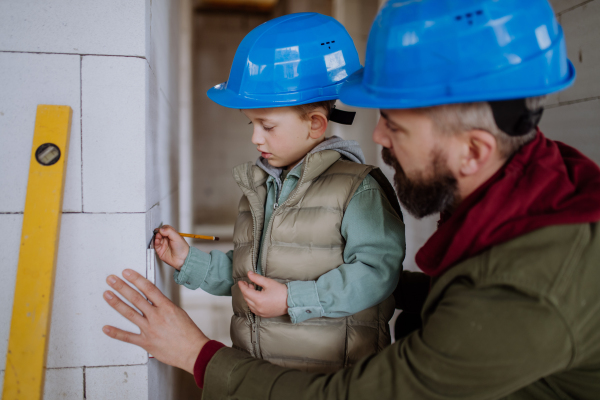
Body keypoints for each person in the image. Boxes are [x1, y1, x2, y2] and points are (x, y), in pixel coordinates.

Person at [102, 0, 600, 398]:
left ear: (474, 150)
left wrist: (197, 354)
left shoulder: (527, 293)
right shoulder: (527, 193)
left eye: (397, 125)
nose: (377, 135)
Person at [150, 12, 405, 374]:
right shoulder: (261, 188)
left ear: (315, 124)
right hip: (263, 375)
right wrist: (188, 261)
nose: (255, 138)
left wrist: (292, 300)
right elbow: (248, 276)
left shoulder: (356, 189)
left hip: (334, 379)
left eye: (267, 125)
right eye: (252, 124)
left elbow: (378, 272)